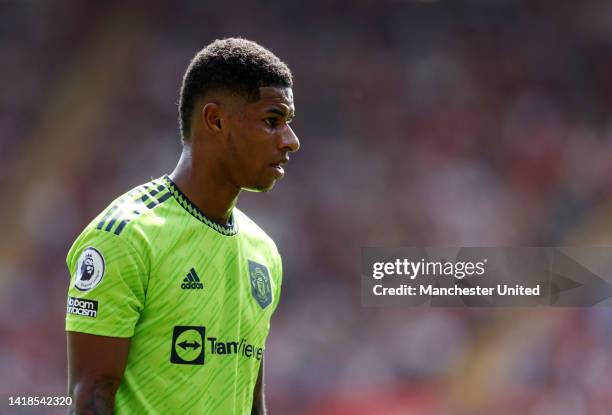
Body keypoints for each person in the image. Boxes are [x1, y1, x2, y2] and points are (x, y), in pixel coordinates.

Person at [65, 37, 300, 414]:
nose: (291, 141)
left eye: (288, 124)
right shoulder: (127, 236)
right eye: (273, 121)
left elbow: (251, 401)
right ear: (216, 119)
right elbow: (90, 398)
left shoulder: (263, 251)